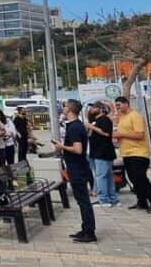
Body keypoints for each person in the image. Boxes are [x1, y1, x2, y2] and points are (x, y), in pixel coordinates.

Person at [53, 99, 96, 243]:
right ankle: (85, 228)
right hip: (77, 167)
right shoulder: (75, 125)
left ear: (70, 109)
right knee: (81, 200)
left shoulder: (74, 127)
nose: (63, 108)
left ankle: (89, 232)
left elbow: (78, 149)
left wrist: (62, 147)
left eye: (65, 106)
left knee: (83, 201)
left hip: (77, 168)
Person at [113, 96, 151, 214]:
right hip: (127, 153)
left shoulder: (135, 116)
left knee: (140, 178)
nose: (118, 107)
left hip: (138, 153)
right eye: (116, 105)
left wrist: (121, 134)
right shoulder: (122, 117)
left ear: (126, 103)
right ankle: (142, 201)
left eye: (119, 105)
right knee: (133, 179)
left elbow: (139, 134)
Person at [85, 103, 119, 208]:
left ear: (101, 109)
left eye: (94, 107)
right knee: (106, 176)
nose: (91, 109)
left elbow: (106, 133)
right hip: (95, 152)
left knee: (101, 176)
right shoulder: (95, 121)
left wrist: (92, 127)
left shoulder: (105, 120)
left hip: (103, 153)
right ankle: (112, 198)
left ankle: (104, 199)